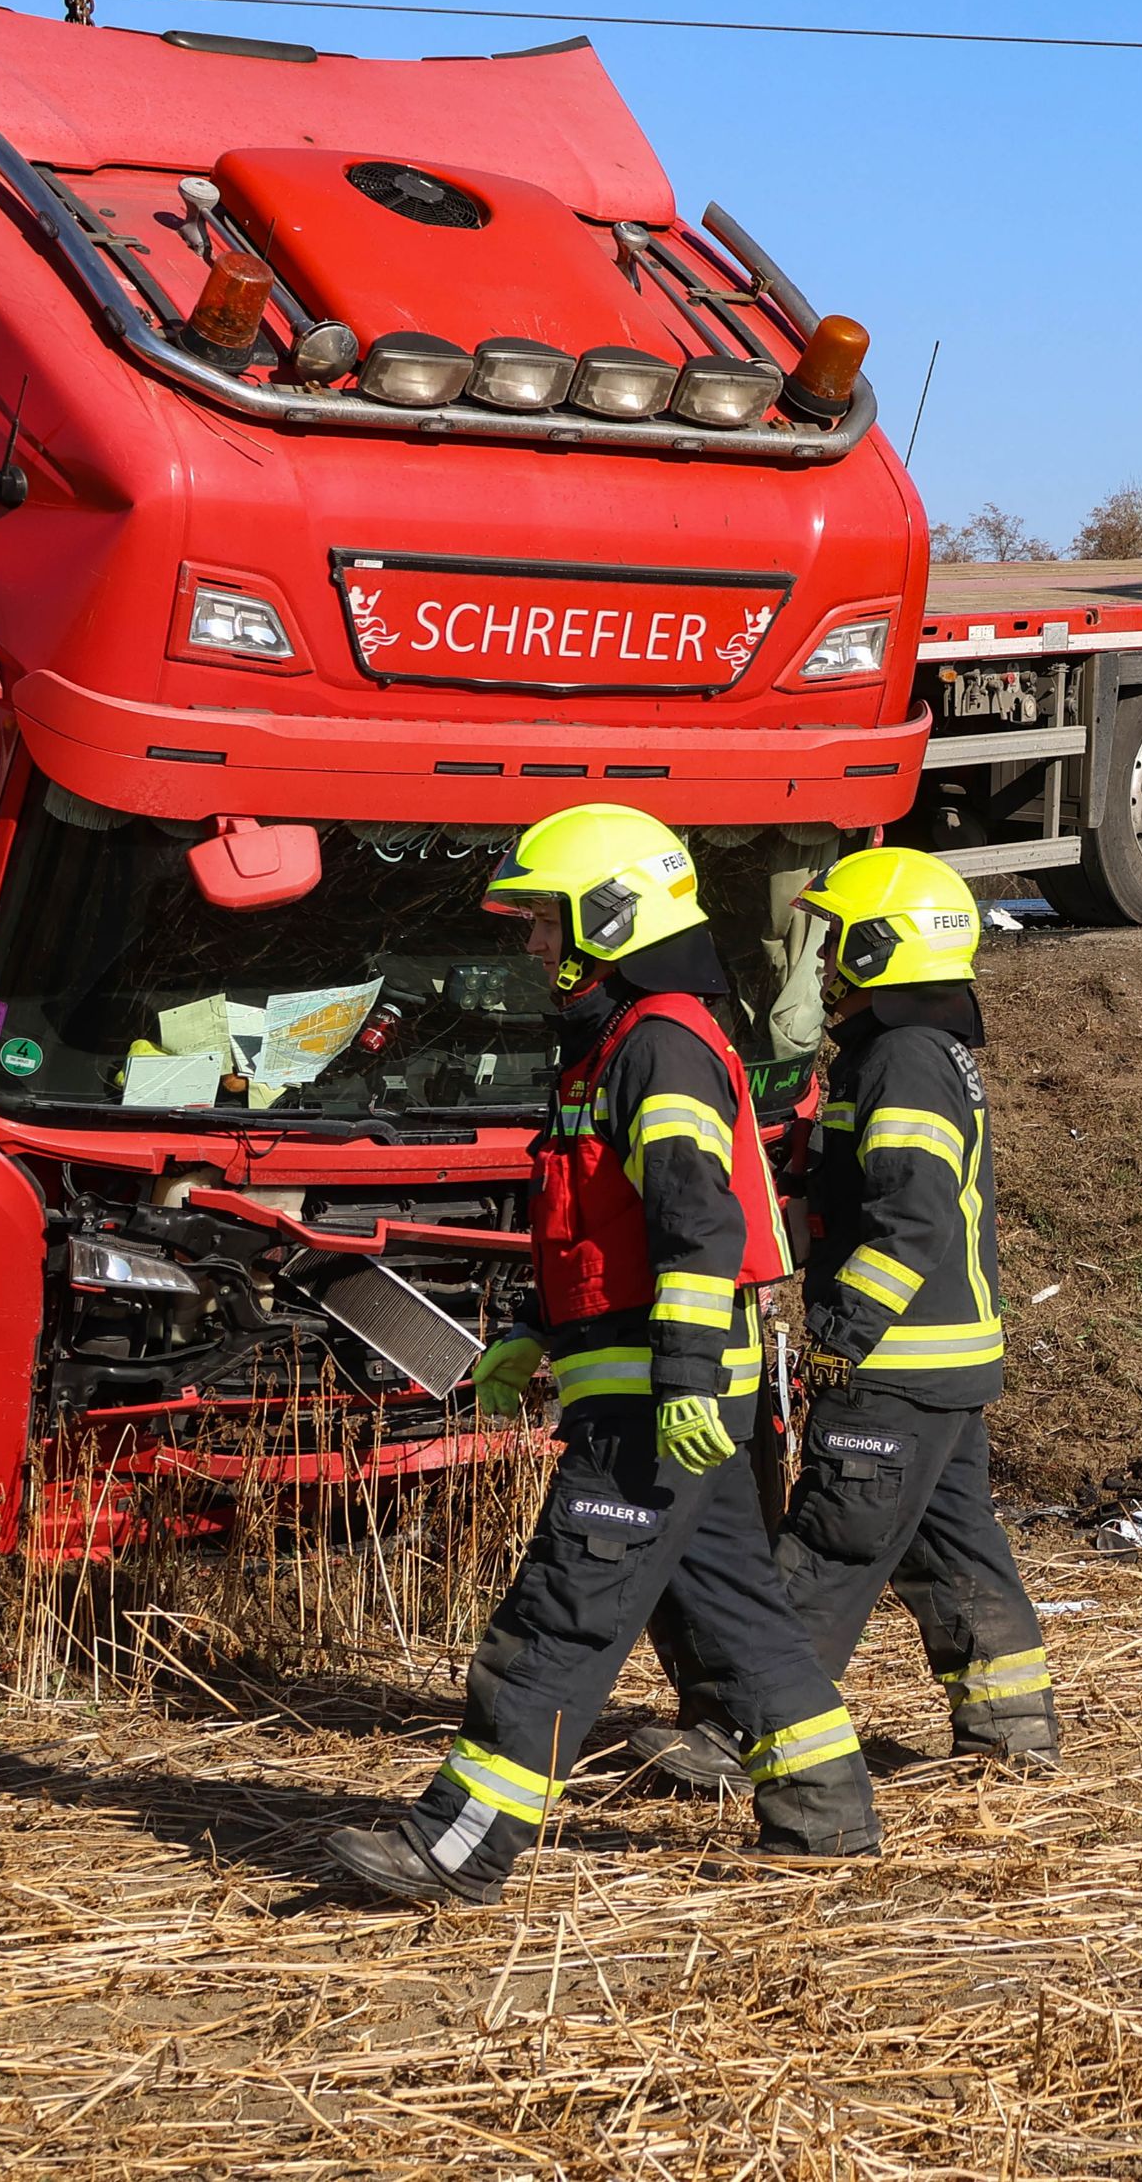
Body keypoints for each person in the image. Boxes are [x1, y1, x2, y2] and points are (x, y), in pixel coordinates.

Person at [328, 804, 877, 1905]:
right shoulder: (622, 1045)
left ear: (609, 917)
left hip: (655, 1394)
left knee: (559, 1615)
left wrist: (676, 1377)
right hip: (642, 1377)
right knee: (737, 1615)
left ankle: (459, 1844)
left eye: (546, 923)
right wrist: (544, 1332)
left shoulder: (659, 1044)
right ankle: (826, 1809)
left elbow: (697, 1225)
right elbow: (607, 1230)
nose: (534, 946)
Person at [629, 846, 1059, 1790]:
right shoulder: (925, 1051)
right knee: (954, 1544)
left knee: (827, 1542)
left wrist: (838, 1337)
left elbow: (910, 1216)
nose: (822, 963)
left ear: (878, 949)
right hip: (946, 1366)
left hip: (897, 1363)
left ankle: (744, 1731)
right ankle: (1010, 1723)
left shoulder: (902, 1057)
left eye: (836, 943)